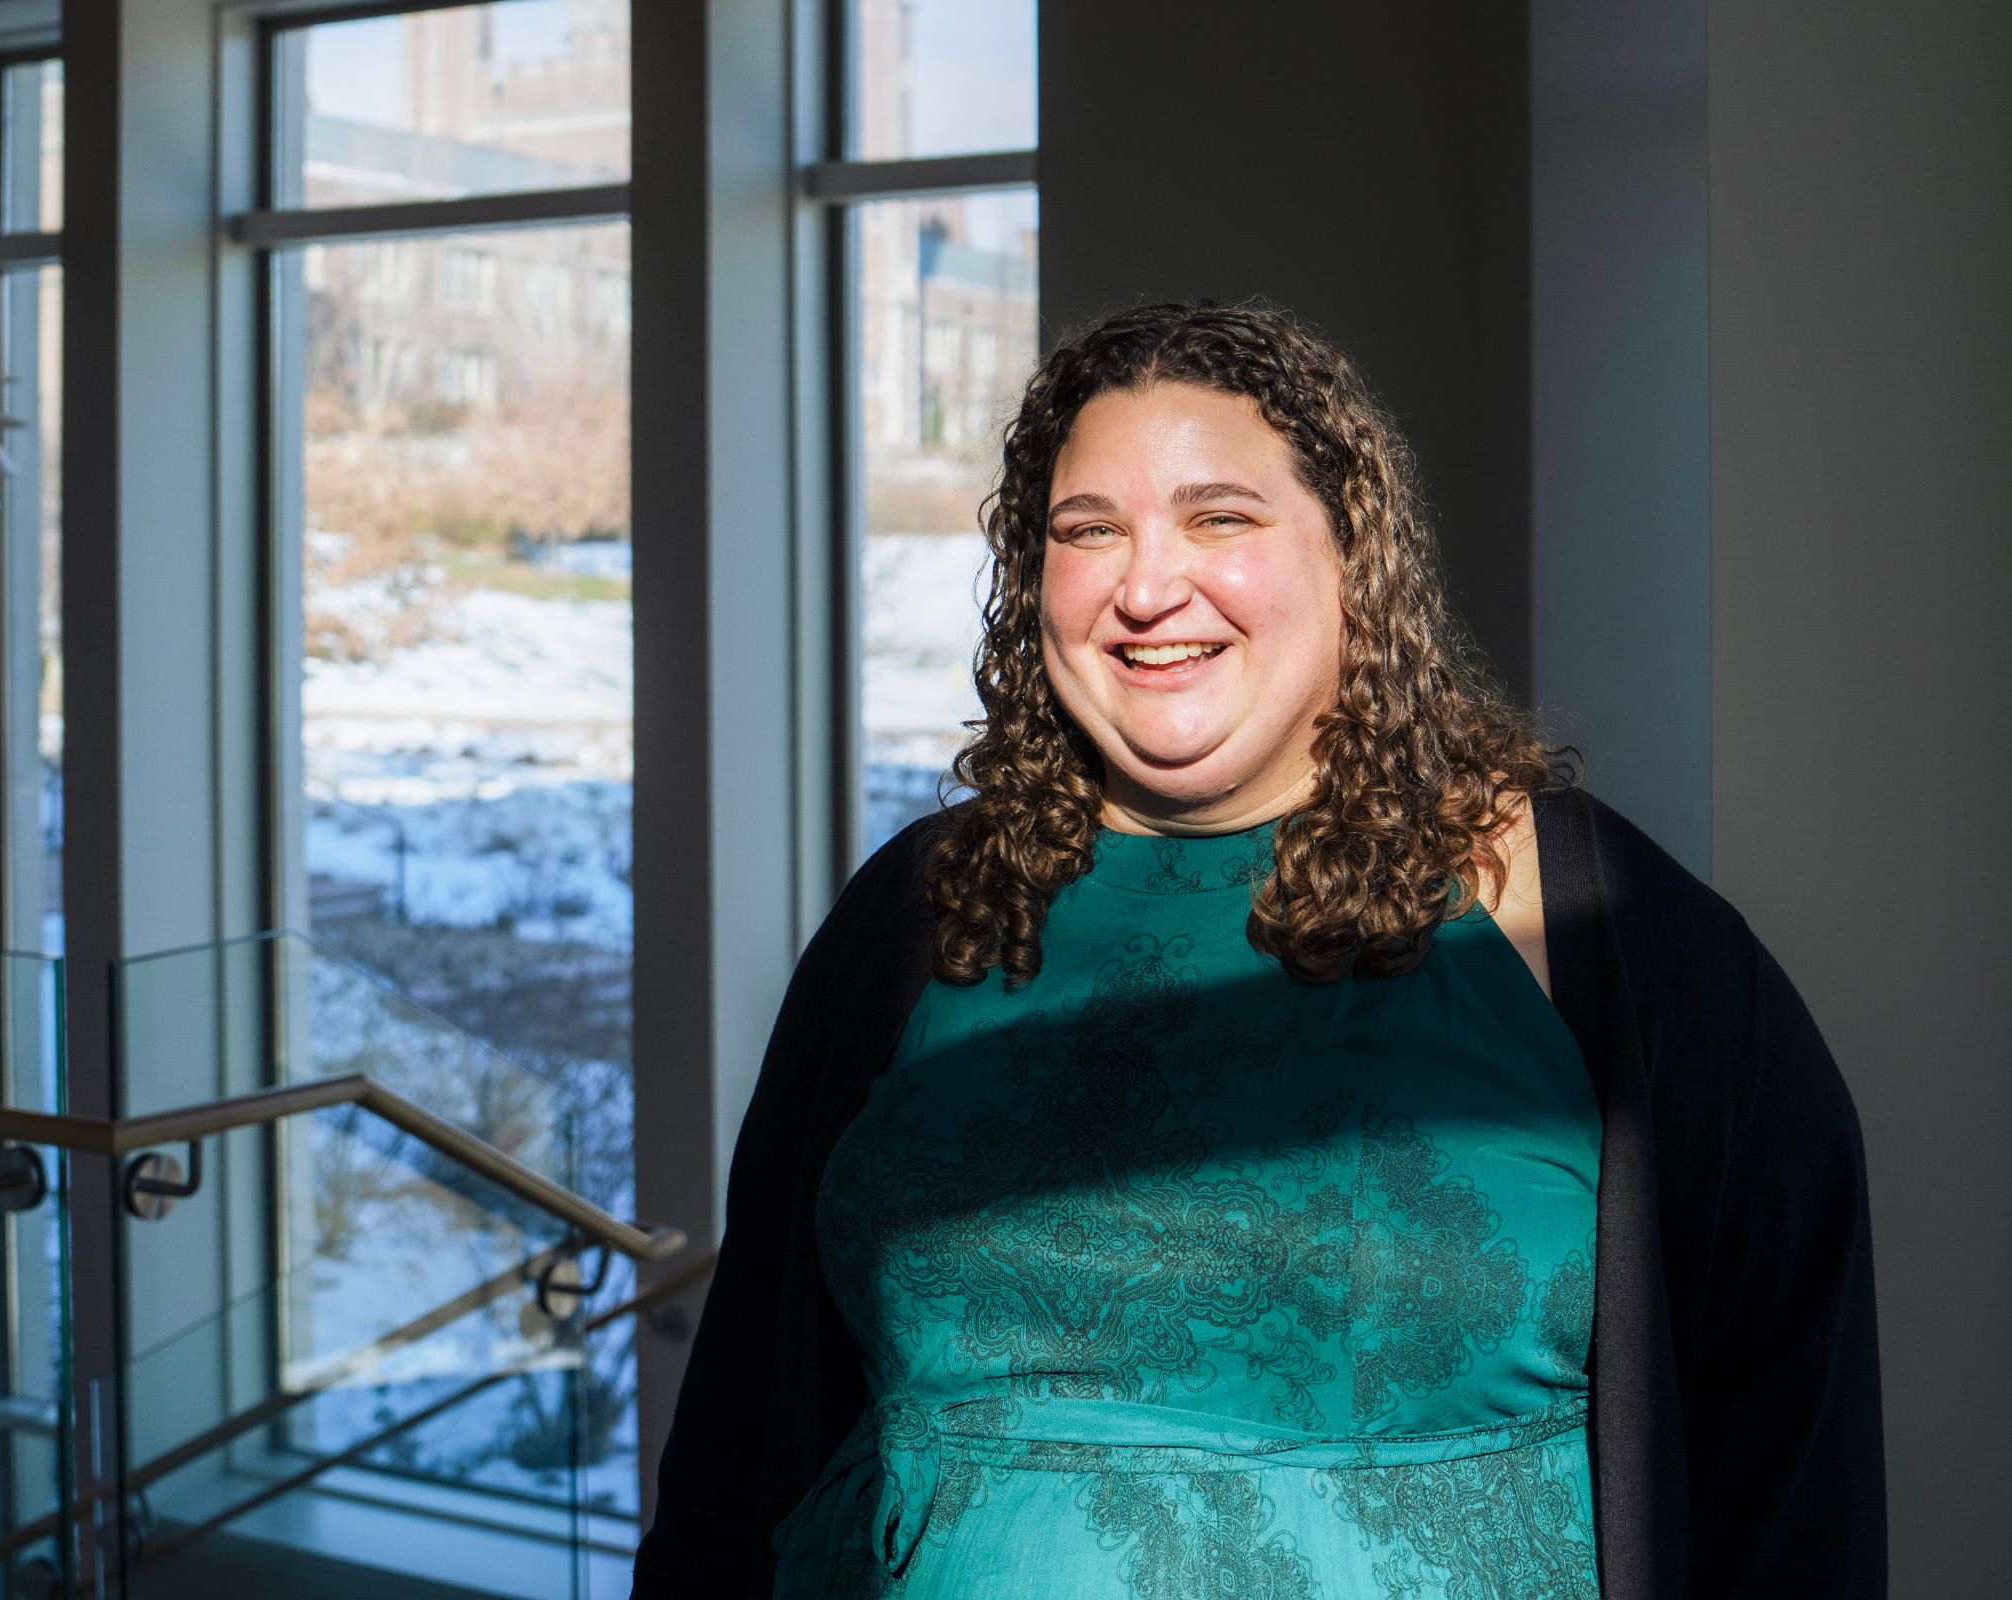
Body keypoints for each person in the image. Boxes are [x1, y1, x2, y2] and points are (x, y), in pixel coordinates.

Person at [632, 302, 1884, 1600]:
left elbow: (1795, 1474)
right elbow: (735, 1442)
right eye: (1088, 530)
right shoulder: (918, 915)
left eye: (1220, 518)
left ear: (1354, 557)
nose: (1145, 589)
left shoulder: (1595, 927)